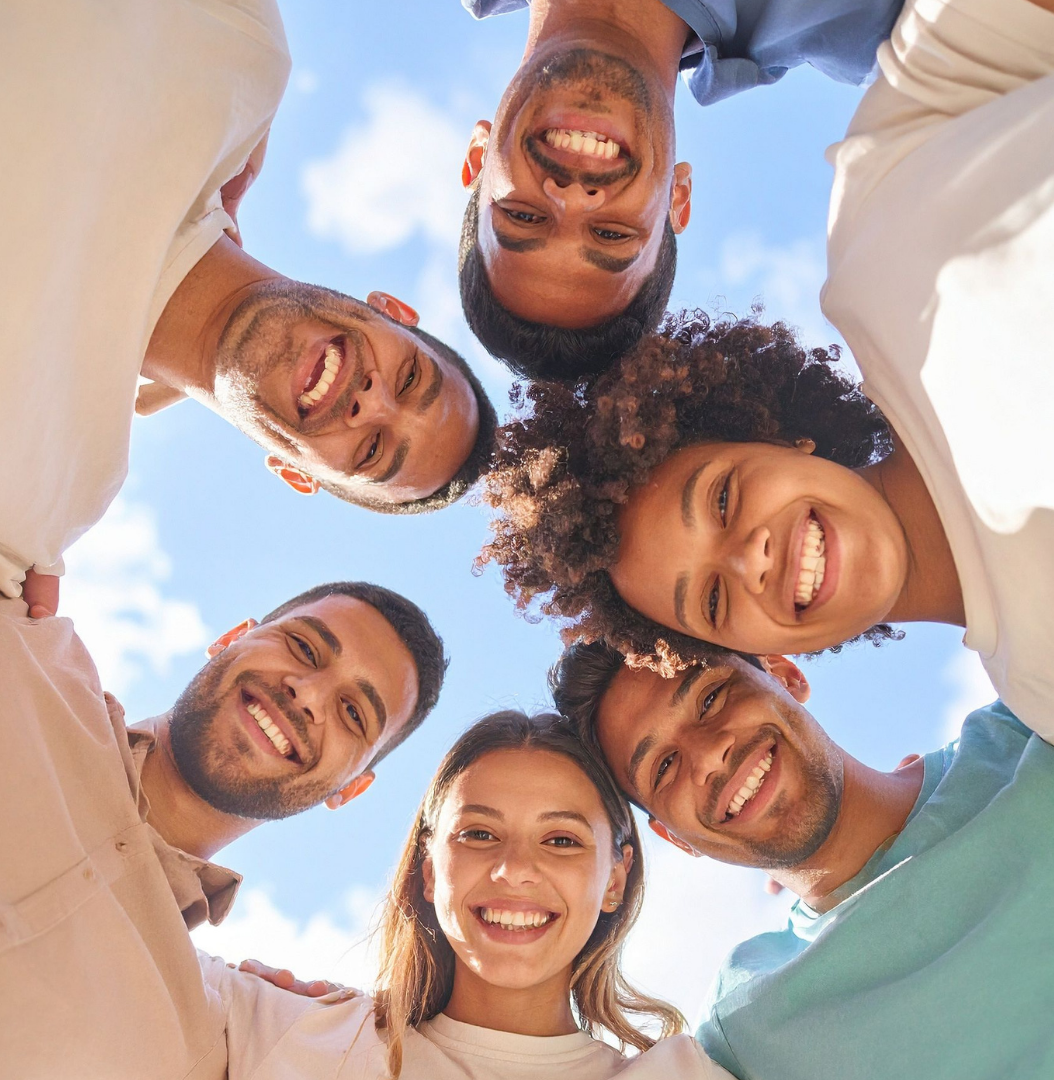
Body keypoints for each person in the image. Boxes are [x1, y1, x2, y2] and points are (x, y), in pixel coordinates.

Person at [0, 0, 498, 617]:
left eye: (372, 451)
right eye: (410, 377)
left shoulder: (40, 500)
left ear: (297, 475)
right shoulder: (238, 54)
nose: (372, 402)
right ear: (392, 308)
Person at [480, 308, 1054, 753]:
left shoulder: (933, 311)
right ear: (770, 656)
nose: (749, 562)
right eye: (713, 600)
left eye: (722, 499)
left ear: (780, 437)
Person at [552, 641, 1054, 1079]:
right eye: (665, 765)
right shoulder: (743, 1031)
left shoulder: (1031, 733)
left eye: (711, 698)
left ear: (784, 674)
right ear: (676, 840)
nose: (710, 756)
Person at [0, 580, 445, 1078]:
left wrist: (343, 1034)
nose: (310, 695)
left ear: (349, 789)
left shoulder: (202, 1045)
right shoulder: (21, 653)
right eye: (303, 647)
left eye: (352, 713)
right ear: (232, 636)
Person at [202, 711, 732, 1078]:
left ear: (615, 879)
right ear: (429, 869)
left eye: (561, 840)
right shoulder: (289, 1031)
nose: (515, 869)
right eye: (479, 834)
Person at [457, 0, 905, 381]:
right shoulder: (882, 29)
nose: (573, 197)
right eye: (611, 234)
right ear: (678, 196)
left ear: (478, 157)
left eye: (524, 217)